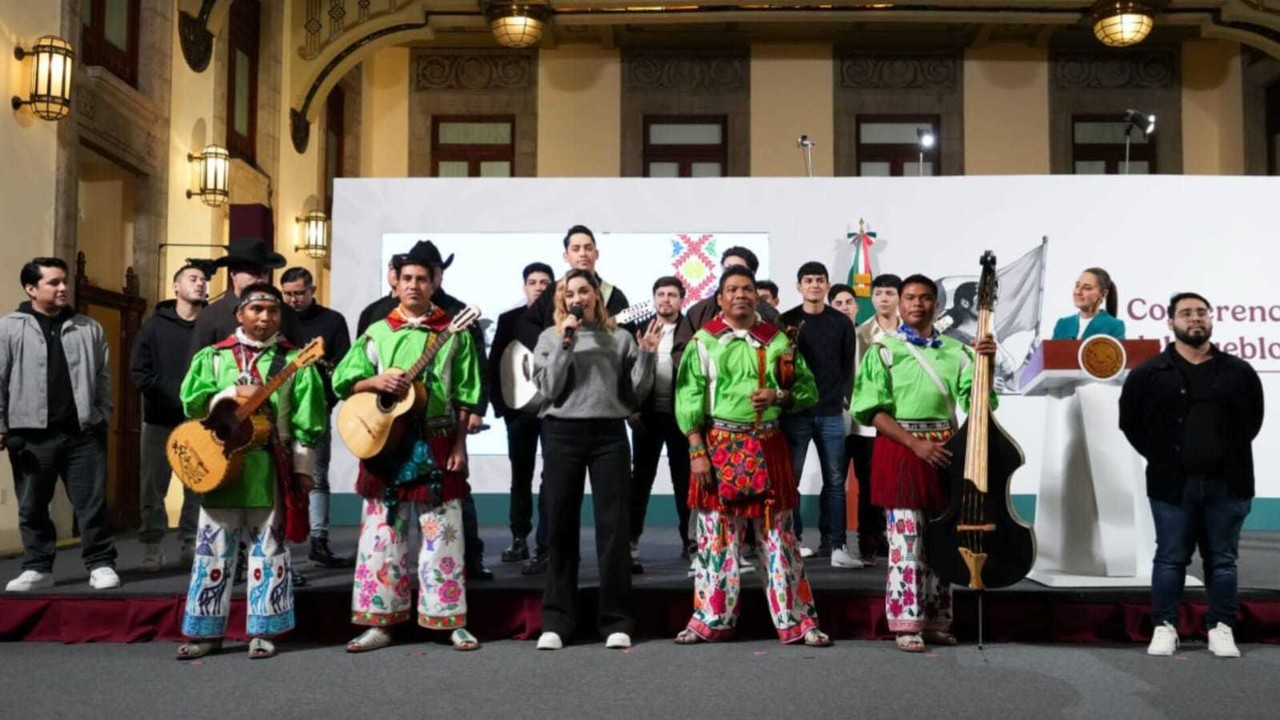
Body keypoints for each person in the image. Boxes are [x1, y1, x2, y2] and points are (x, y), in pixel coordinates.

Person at [333, 241, 483, 653]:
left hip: (436, 441)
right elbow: (343, 380)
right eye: (406, 279)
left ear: (434, 283)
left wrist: (460, 446)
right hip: (386, 443)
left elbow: (467, 394)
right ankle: (379, 622)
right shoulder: (377, 331)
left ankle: (448, 619)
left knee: (444, 536)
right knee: (382, 539)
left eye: (422, 278)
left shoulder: (454, 332)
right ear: (394, 283)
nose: (414, 285)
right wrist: (374, 382)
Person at [673, 266, 831, 647]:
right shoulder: (703, 342)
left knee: (780, 540)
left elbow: (808, 391)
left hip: (767, 445)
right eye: (732, 289)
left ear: (756, 296)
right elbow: (688, 397)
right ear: (720, 298)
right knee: (715, 540)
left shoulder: (778, 340)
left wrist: (780, 396)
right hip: (718, 447)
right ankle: (710, 618)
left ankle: (797, 621)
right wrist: (697, 450)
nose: (740, 295)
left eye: (746, 288)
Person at [175, 283, 326, 660]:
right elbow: (192, 402)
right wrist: (227, 397)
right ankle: (206, 632)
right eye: (256, 309)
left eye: (272, 311)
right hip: (221, 462)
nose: (264, 318)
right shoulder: (214, 357)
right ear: (239, 314)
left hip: (268, 463)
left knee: (269, 548)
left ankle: (264, 630)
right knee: (213, 549)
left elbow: (309, 420)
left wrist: (303, 470)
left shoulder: (296, 362)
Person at [852, 274, 997, 653]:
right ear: (900, 304)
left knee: (941, 541)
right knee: (906, 542)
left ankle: (935, 621)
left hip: (946, 452)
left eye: (926, 298)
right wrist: (915, 444)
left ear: (936, 304)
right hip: (901, 450)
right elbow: (872, 411)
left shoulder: (957, 352)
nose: (918, 304)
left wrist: (988, 363)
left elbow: (980, 403)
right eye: (910, 297)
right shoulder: (883, 350)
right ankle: (906, 623)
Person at [1119, 292, 1262, 659]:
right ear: (1170, 323)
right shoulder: (1148, 373)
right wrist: (1163, 457)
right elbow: (1130, 422)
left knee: (1223, 560)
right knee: (1169, 558)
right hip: (1172, 485)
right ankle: (1165, 627)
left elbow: (1253, 420)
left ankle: (1221, 627)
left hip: (1228, 485)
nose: (1194, 318)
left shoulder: (1239, 371)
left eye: (1201, 312)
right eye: (1185, 313)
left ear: (1211, 319)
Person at [532, 269, 660, 651]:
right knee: (559, 527)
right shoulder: (550, 337)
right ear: (562, 299)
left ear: (596, 297)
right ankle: (557, 621)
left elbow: (635, 393)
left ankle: (616, 620)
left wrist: (649, 355)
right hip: (561, 434)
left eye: (584, 290)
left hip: (608, 435)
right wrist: (566, 343)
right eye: (569, 292)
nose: (577, 297)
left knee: (614, 529)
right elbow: (549, 388)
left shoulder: (618, 338)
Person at [1, 257, 120, 592]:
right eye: (53, 282)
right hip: (30, 436)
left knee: (92, 504)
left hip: (82, 433)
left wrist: (101, 415)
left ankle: (100, 563)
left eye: (64, 281)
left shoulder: (88, 327)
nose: (63, 287)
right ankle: (38, 567)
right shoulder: (9, 328)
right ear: (31, 288)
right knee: (33, 505)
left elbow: (103, 378)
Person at [780, 262, 858, 568]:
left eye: (820, 280)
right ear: (798, 286)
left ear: (827, 285)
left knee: (836, 481)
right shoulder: (786, 321)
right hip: (795, 414)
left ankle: (837, 544)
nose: (814, 285)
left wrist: (842, 400)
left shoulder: (841, 323)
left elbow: (847, 367)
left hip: (830, 414)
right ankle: (793, 541)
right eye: (808, 280)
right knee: (791, 481)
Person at [132, 264, 208, 571]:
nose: (201, 284)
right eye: (193, 279)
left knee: (198, 485)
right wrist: (178, 396)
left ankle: (191, 541)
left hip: (200, 422)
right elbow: (139, 372)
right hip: (160, 419)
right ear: (176, 287)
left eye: (204, 280)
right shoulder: (153, 326)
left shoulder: (211, 325)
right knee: (153, 486)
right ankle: (152, 545)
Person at [280, 266, 353, 569]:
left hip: (317, 408)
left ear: (312, 290)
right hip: (278, 407)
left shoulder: (332, 321)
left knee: (317, 474)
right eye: (288, 294)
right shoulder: (275, 317)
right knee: (279, 477)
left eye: (299, 293)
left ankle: (319, 541)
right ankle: (277, 545)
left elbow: (345, 367)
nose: (293, 300)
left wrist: (327, 400)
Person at [488, 262, 554, 568]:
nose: (539, 287)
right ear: (524, 286)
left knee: (552, 479)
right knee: (520, 476)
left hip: (554, 412)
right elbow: (495, 364)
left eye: (545, 282)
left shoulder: (562, 322)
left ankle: (546, 543)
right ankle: (519, 539)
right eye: (533, 281)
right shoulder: (508, 320)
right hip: (519, 413)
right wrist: (503, 410)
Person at [629, 276, 693, 568]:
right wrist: (630, 411)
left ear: (682, 299)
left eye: (672, 295)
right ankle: (630, 541)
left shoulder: (690, 330)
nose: (665, 299)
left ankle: (690, 541)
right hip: (646, 417)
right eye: (660, 294)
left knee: (686, 482)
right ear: (654, 298)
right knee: (640, 481)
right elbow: (625, 373)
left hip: (680, 418)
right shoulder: (637, 329)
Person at [849, 274, 902, 566]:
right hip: (868, 424)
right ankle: (868, 542)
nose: (883, 298)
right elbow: (856, 379)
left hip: (904, 421)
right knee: (869, 484)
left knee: (899, 483)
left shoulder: (911, 333)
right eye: (878, 293)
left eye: (890, 293)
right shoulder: (860, 334)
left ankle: (898, 540)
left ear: (899, 297)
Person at [518, 224, 632, 350]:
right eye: (576, 249)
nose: (583, 253)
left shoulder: (614, 296)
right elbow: (524, 324)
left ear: (596, 254)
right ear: (566, 256)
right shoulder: (552, 290)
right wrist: (547, 348)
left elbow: (626, 343)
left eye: (588, 248)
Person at [188, 237, 303, 358]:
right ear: (233, 274)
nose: (260, 277)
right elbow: (197, 366)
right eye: (252, 271)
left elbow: (298, 358)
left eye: (264, 271)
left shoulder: (285, 313)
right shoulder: (211, 315)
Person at [676, 246, 781, 350]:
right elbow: (682, 351)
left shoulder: (770, 315)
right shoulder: (698, 312)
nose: (732, 273)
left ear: (752, 274)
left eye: (739, 269)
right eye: (727, 268)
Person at [1051, 267, 1125, 340]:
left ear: (1103, 294)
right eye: (1077, 286)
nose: (1078, 292)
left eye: (1087, 288)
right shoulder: (1062, 324)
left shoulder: (1114, 326)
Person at [356, 258, 399, 336]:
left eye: (400, 268)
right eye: (392, 268)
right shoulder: (371, 311)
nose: (395, 272)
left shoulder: (417, 308)